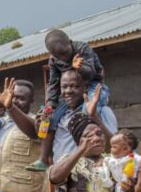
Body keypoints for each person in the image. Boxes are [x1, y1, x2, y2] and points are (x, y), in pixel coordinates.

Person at [30, 29, 108, 172]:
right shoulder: (53, 60)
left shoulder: (82, 49)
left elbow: (91, 72)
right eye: (58, 55)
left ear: (70, 43)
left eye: (65, 53)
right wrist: (50, 105)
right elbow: (53, 84)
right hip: (70, 91)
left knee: (88, 111)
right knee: (51, 118)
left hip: (92, 85)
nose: (63, 58)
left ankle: (91, 155)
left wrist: (80, 68)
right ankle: (42, 159)